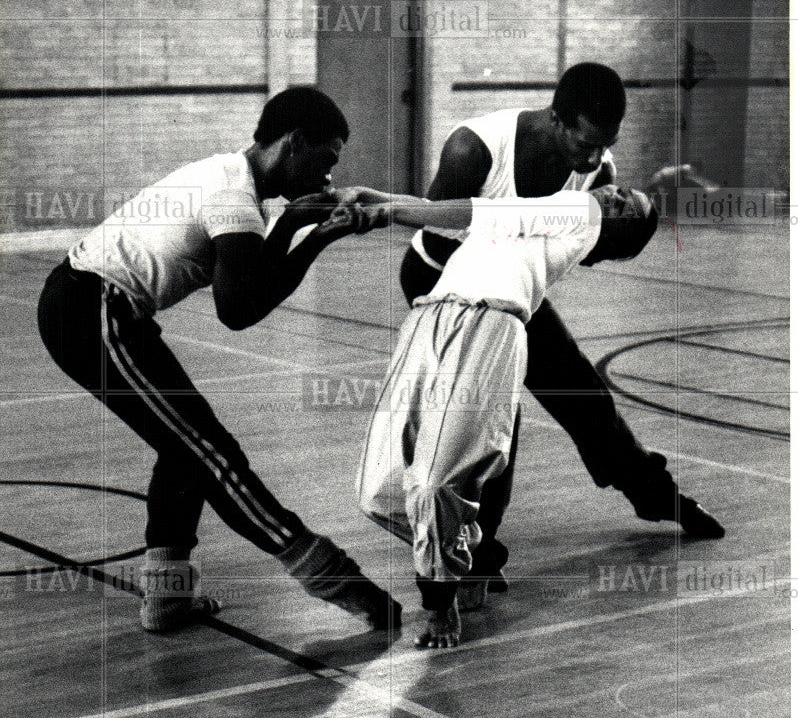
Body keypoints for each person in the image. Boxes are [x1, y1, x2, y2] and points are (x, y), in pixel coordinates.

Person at [37, 86, 401, 633]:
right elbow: (240, 310)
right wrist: (315, 235)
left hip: (96, 308)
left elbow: (252, 281)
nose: (328, 177)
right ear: (293, 142)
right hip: (92, 312)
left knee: (183, 448)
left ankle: (166, 599)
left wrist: (302, 221)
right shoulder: (234, 197)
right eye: (324, 160)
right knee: (212, 455)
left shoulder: (234, 179)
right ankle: (332, 576)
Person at [398, 63, 724, 606]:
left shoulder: (598, 171)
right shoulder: (474, 148)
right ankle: (472, 552)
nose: (595, 160)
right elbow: (443, 225)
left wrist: (634, 223)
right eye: (586, 144)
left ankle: (655, 494)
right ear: (555, 118)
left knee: (584, 396)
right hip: (444, 285)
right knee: (495, 419)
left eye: (605, 148)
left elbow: (580, 246)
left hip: (514, 291)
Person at [355, 184, 660, 647]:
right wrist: (376, 196)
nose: (615, 194)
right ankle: (465, 554)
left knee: (436, 483)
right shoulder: (545, 218)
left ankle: (439, 605)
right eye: (622, 191)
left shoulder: (581, 211)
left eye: (626, 208)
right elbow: (455, 216)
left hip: (488, 326)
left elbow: (474, 211)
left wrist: (386, 211)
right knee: (379, 492)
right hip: (429, 318)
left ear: (614, 236)